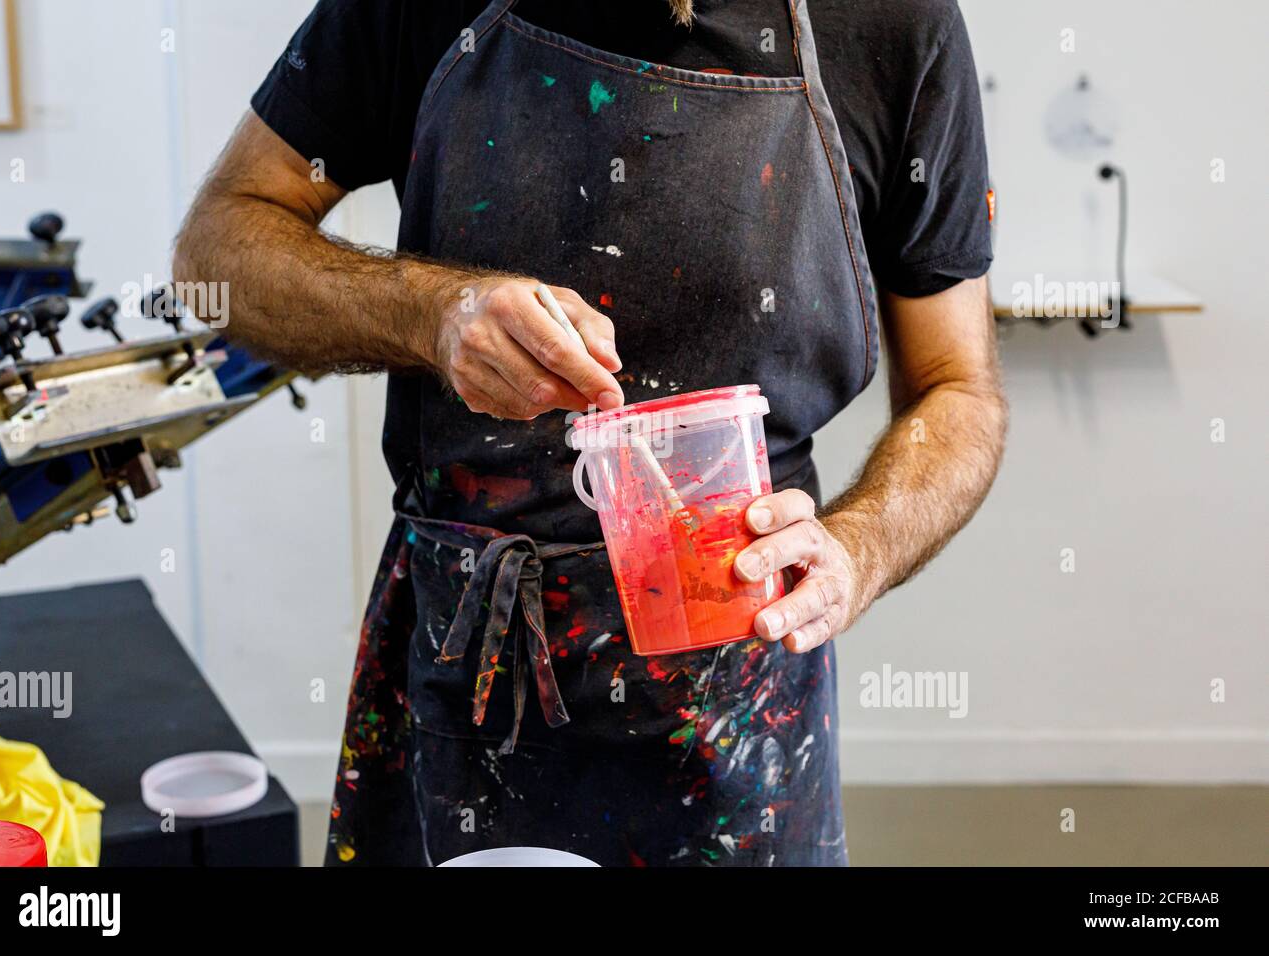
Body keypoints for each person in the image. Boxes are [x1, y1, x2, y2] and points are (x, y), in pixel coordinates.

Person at [174, 0, 1007, 866]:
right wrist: (434, 313)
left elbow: (959, 391)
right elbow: (218, 253)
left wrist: (857, 550)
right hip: (465, 670)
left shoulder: (890, 25)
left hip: (739, 701)